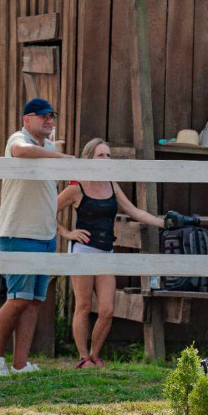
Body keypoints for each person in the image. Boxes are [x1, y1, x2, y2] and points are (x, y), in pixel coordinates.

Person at [0, 98, 75, 377]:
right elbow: (19, 151)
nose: (49, 120)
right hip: (19, 231)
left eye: (52, 116)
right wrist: (60, 156)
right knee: (18, 299)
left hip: (45, 234)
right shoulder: (19, 137)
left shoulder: (47, 147)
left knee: (35, 301)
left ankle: (20, 364)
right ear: (27, 119)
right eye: (43, 116)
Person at [57, 138, 166, 368]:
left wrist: (160, 222)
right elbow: (47, 210)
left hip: (106, 251)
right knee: (84, 306)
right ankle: (83, 357)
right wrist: (67, 233)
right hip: (83, 252)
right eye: (101, 155)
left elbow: (133, 210)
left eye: (108, 155)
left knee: (107, 309)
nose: (106, 159)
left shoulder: (112, 185)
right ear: (89, 158)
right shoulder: (77, 187)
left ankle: (95, 355)